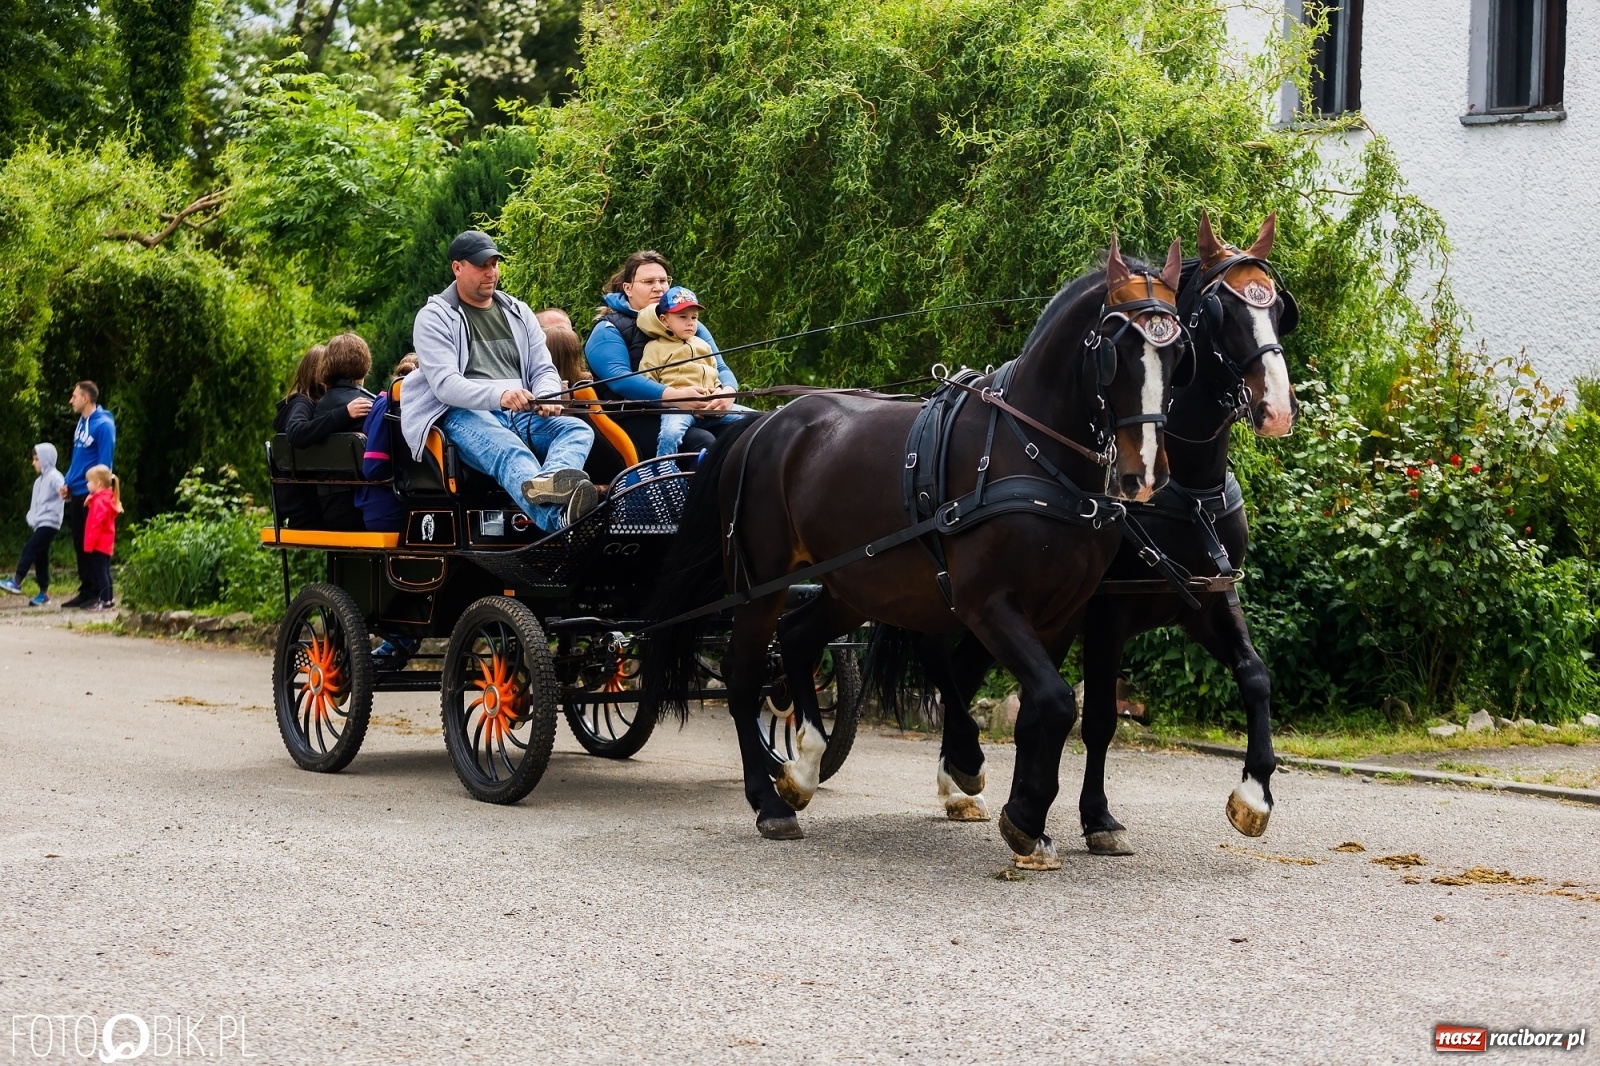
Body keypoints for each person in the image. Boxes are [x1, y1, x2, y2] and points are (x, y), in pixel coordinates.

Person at [403, 230, 596, 534]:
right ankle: (556, 520)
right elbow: (446, 385)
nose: (491, 272)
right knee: (510, 451)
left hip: (520, 411)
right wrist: (501, 395)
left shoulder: (519, 312)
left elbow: (543, 368)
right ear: (457, 267)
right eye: (482, 265)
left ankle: (548, 482)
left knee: (578, 429)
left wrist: (546, 396)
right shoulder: (434, 317)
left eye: (494, 264)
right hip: (461, 413)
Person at [584, 251, 742, 457]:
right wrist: (674, 397)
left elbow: (720, 367)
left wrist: (727, 393)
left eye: (663, 280)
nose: (658, 287)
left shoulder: (690, 323)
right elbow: (620, 379)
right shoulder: (608, 328)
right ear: (628, 288)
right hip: (633, 419)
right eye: (648, 281)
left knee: (748, 433)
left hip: (700, 411)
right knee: (701, 442)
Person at [638, 287, 752, 456]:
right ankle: (663, 466)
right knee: (671, 433)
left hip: (710, 407)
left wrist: (719, 392)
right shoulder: (655, 348)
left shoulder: (703, 345)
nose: (690, 322)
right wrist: (674, 396)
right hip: (679, 409)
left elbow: (714, 372)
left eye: (694, 317)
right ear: (664, 320)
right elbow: (646, 380)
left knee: (756, 419)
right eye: (682, 317)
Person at [271, 345, 373, 528]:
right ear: (319, 374)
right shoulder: (301, 403)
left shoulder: (313, 407)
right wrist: (344, 413)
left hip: (309, 506)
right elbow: (296, 432)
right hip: (309, 509)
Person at [312, 333, 377, 530]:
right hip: (365, 505)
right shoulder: (368, 405)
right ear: (363, 364)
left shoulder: (320, 406)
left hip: (329, 506)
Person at [59, 382, 115, 609]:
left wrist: (101, 494)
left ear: (86, 398)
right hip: (77, 492)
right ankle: (86, 590)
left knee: (93, 544)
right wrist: (67, 482)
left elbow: (105, 463)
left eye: (74, 396)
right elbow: (78, 459)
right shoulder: (81, 423)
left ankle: (97, 593)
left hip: (93, 496)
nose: (71, 400)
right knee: (80, 544)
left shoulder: (103, 425)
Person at [356, 353, 419, 533]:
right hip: (387, 508)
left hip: (403, 504)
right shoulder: (387, 406)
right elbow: (372, 467)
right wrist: (408, 472)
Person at [1, 443, 65, 605]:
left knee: (29, 548)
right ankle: (44, 594)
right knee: (40, 556)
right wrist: (32, 518)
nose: (33, 463)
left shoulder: (55, 476)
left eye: (37, 459)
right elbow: (34, 504)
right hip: (40, 523)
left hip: (50, 522)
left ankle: (16, 581)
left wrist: (65, 492)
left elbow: (63, 491)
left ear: (45, 459)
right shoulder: (39, 482)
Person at [79, 464, 121, 611]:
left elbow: (95, 525)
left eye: (89, 482)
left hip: (98, 543)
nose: (87, 484)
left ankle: (103, 600)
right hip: (106, 543)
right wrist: (91, 499)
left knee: (100, 573)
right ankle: (109, 599)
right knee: (106, 571)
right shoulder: (106, 499)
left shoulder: (99, 502)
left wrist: (89, 544)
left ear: (97, 483)